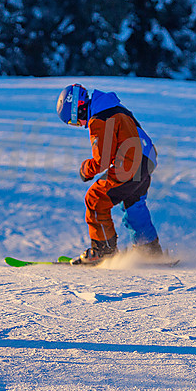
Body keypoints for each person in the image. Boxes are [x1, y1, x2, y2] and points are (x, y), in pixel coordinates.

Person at [56, 84, 164, 265]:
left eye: (74, 121)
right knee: (134, 204)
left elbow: (102, 160)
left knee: (95, 198)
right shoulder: (114, 107)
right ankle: (149, 250)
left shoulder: (99, 118)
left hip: (130, 164)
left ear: (78, 110)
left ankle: (104, 251)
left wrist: (85, 169)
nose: (79, 125)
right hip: (147, 160)